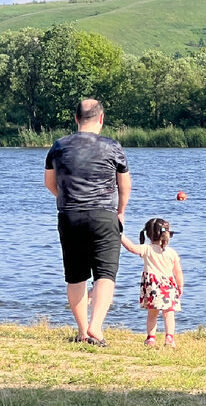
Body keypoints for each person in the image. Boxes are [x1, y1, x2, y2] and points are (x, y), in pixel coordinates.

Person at [44, 98, 131, 346]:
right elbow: (124, 185)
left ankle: (83, 331)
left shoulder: (58, 146)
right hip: (104, 214)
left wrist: (68, 199)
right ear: (101, 119)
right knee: (105, 273)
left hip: (70, 215)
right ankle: (96, 327)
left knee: (75, 275)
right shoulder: (113, 147)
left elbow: (49, 183)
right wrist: (121, 211)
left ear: (76, 119)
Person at [122, 217, 184, 348]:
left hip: (152, 286)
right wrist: (180, 286)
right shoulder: (171, 252)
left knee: (152, 314)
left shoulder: (147, 249)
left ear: (148, 234)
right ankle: (169, 338)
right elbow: (178, 272)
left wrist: (119, 234)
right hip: (168, 286)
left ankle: (151, 338)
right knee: (169, 313)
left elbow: (132, 248)